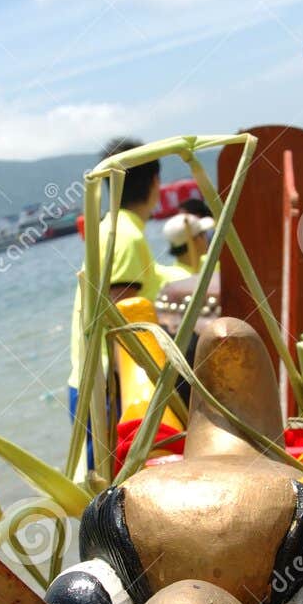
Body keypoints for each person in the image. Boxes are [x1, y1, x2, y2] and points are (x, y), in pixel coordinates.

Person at [68, 139, 190, 421]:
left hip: (96, 383)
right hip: (107, 389)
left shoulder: (115, 229)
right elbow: (122, 325)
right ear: (155, 182)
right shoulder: (125, 236)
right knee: (116, 465)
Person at [164, 201, 214, 273]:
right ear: (196, 240)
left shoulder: (169, 278)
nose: (206, 237)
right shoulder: (214, 267)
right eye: (203, 233)